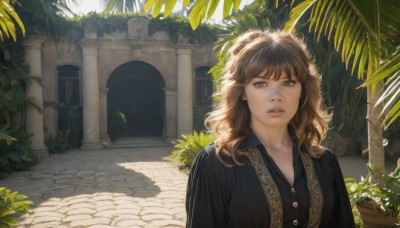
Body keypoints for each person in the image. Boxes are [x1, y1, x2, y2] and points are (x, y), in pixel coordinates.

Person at [185, 29, 355, 228]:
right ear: (242, 92)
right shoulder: (216, 164)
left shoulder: (325, 162)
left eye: (288, 82)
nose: (276, 95)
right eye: (260, 84)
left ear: (302, 90)